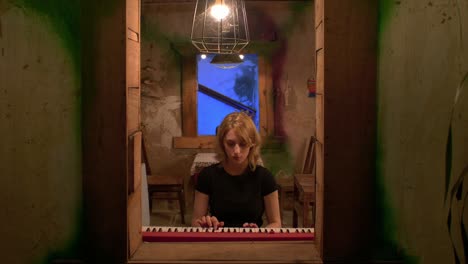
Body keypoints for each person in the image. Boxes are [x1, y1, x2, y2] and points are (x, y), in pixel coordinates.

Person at [191, 111, 281, 229]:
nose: (237, 151)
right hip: (218, 240)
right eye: (230, 144)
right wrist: (204, 224)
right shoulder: (207, 176)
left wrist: (259, 233)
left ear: (252, 144)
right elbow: (195, 222)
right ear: (222, 144)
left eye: (243, 144)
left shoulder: (264, 177)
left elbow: (276, 223)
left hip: (252, 242)